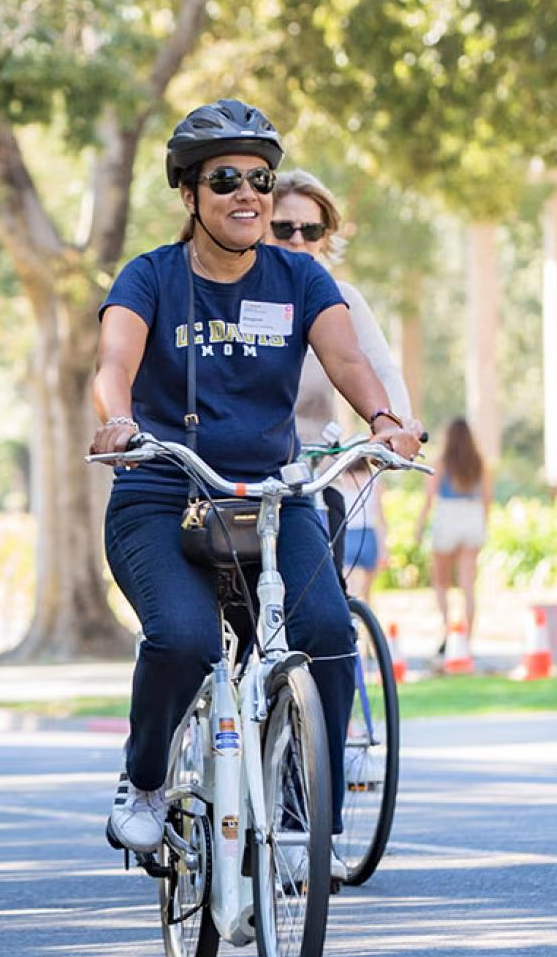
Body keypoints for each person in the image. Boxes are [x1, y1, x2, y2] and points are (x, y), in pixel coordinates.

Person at [89, 99, 424, 878]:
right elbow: (114, 363)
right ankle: (143, 780)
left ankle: (312, 817)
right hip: (161, 494)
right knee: (185, 639)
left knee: (328, 632)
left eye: (261, 180)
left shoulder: (300, 277)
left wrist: (381, 417)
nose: (249, 195)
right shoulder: (150, 276)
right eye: (227, 179)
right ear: (190, 195)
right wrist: (118, 421)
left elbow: (345, 359)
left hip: (272, 497)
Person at [273, 168, 414, 599]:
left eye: (311, 230)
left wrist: (398, 425)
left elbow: (380, 368)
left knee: (326, 613)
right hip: (241, 481)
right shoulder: (239, 297)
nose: (299, 240)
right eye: (284, 229)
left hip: (314, 478)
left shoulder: (343, 298)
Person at [415, 416, 489, 666]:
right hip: (472, 516)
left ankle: (449, 632)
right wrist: (483, 527)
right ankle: (467, 640)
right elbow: (487, 498)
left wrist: (419, 527)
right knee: (468, 585)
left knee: (441, 581)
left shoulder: (442, 463)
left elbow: (429, 497)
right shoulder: (479, 463)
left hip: (448, 515)